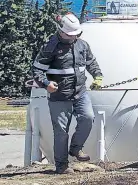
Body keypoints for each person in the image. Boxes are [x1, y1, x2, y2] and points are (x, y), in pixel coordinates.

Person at [33, 12, 103, 174]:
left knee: (88, 118)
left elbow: (91, 62)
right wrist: (46, 84)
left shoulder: (82, 45)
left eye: (76, 34)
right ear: (61, 31)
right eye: (70, 35)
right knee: (61, 132)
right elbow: (37, 70)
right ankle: (62, 166)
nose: (73, 37)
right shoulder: (50, 47)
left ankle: (76, 148)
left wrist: (98, 76)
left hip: (80, 92)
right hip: (59, 96)